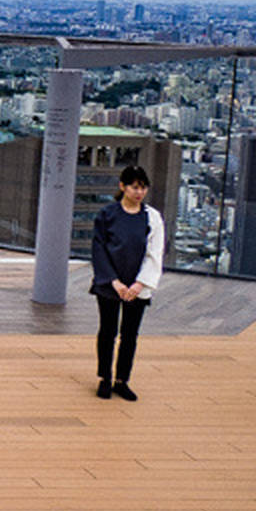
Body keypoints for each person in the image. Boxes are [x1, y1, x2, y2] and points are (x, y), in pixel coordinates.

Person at [89, 164, 163, 401]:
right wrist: (114, 281)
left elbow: (155, 253)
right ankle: (104, 378)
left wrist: (139, 284)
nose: (139, 192)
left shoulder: (152, 217)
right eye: (134, 187)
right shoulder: (107, 214)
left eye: (143, 188)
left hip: (137, 286)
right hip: (110, 283)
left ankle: (122, 380)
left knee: (130, 334)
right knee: (107, 331)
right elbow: (98, 249)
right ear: (122, 187)